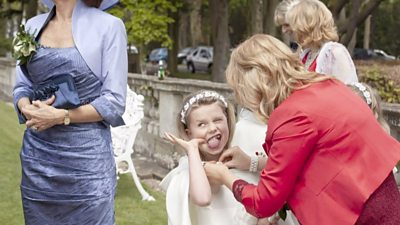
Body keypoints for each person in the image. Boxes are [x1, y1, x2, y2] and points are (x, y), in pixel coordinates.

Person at [204, 34, 400, 225]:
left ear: (254, 85)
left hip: (359, 214)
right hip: (386, 200)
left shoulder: (291, 115)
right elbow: (310, 162)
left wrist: (225, 177)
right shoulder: (329, 85)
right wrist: (251, 163)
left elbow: (263, 202)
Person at [12, 0, 127, 224]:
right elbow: (21, 87)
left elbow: (114, 101)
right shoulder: (31, 27)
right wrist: (26, 107)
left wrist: (62, 116)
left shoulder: (110, 26)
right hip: (38, 160)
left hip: (86, 163)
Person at [160, 90, 279, 225]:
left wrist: (251, 162)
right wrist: (192, 149)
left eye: (217, 120)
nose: (212, 128)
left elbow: (281, 171)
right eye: (202, 124)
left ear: (227, 121)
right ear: (189, 133)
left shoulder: (240, 161)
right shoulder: (190, 173)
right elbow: (203, 199)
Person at [285, 0, 358, 84]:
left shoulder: (334, 53)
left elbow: (348, 91)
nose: (290, 30)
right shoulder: (305, 56)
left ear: (305, 26)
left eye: (292, 25)